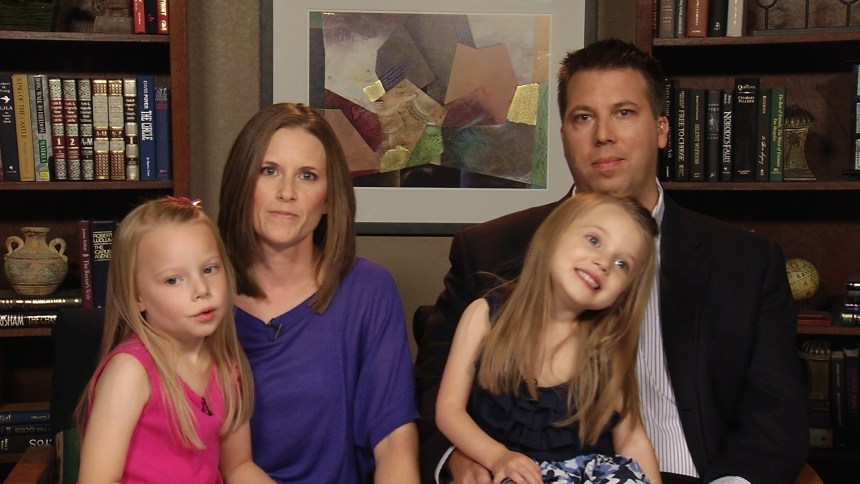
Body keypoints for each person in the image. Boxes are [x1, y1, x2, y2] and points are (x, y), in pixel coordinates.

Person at [414, 38, 808, 484]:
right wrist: (459, 457)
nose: (603, 134)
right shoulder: (488, 249)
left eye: (624, 112)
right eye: (583, 117)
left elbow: (776, 418)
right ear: (563, 135)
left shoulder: (747, 262)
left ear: (662, 129)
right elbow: (431, 390)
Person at [218, 102, 420, 483]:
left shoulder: (368, 290)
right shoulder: (198, 295)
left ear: (328, 199)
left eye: (307, 176)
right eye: (269, 171)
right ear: (242, 182)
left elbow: (395, 443)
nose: (287, 192)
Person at [436, 193, 662, 484]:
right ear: (555, 234)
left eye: (622, 264)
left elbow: (631, 439)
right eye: (594, 240)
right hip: (505, 472)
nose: (604, 263)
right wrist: (496, 456)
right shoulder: (485, 316)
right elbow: (449, 410)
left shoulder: (605, 350)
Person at [77, 197, 273, 483]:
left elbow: (239, 466)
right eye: (173, 280)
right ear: (137, 296)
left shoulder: (226, 366)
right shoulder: (130, 372)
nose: (201, 289)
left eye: (209, 269)